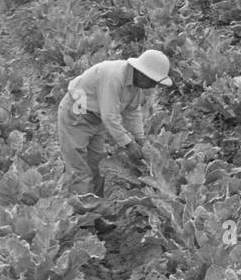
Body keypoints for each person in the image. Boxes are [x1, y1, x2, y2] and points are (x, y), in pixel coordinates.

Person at [57, 48, 172, 204]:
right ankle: (82, 218)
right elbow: (110, 116)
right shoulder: (115, 76)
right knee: (79, 171)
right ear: (141, 73)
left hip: (95, 119)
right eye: (152, 81)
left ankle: (96, 211)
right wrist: (129, 144)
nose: (153, 86)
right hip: (76, 114)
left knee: (96, 166)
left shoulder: (135, 85)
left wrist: (141, 139)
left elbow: (132, 112)